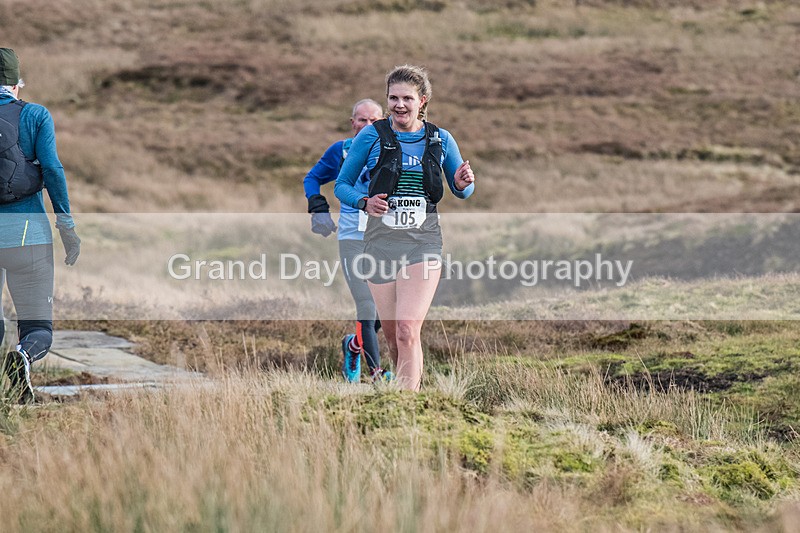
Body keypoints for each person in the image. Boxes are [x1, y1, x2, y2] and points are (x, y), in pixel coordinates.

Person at [335, 65, 475, 391]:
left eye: (407, 98)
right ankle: (400, 396)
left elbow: (462, 189)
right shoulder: (371, 135)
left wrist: (463, 182)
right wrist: (363, 202)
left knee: (407, 329)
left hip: (422, 241)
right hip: (379, 241)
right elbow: (342, 185)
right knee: (393, 338)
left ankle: (407, 409)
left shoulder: (440, 137)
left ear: (421, 101)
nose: (399, 105)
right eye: (393, 98)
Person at [0, 48, 80, 404]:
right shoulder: (34, 115)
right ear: (17, 84)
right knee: (38, 327)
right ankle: (24, 356)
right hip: (27, 234)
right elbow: (53, 171)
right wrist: (66, 225)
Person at [303, 98, 392, 383]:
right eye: (361, 120)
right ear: (352, 123)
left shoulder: (393, 150)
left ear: (384, 122)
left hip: (386, 238)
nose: (367, 125)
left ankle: (352, 345)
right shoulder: (340, 151)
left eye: (374, 120)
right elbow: (312, 178)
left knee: (387, 308)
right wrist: (317, 206)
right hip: (352, 237)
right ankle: (376, 374)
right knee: (366, 305)